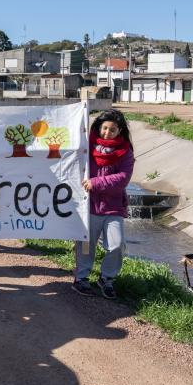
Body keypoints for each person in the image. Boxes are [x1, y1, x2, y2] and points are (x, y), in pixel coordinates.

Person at [73, 109, 135, 300]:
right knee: (85, 245)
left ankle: (106, 278)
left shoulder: (125, 152)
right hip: (88, 205)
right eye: (104, 128)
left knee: (116, 246)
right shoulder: (86, 146)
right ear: (98, 127)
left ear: (120, 131)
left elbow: (123, 178)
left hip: (113, 207)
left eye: (112, 130)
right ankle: (81, 278)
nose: (107, 133)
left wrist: (95, 183)